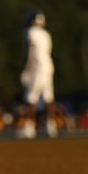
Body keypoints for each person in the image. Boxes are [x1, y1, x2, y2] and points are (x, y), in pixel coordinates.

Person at [19, 11, 56, 139]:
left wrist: (27, 70)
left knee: (31, 98)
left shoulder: (30, 33)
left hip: (37, 67)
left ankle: (30, 127)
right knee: (48, 97)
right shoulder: (46, 34)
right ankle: (51, 126)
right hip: (48, 65)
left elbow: (32, 53)